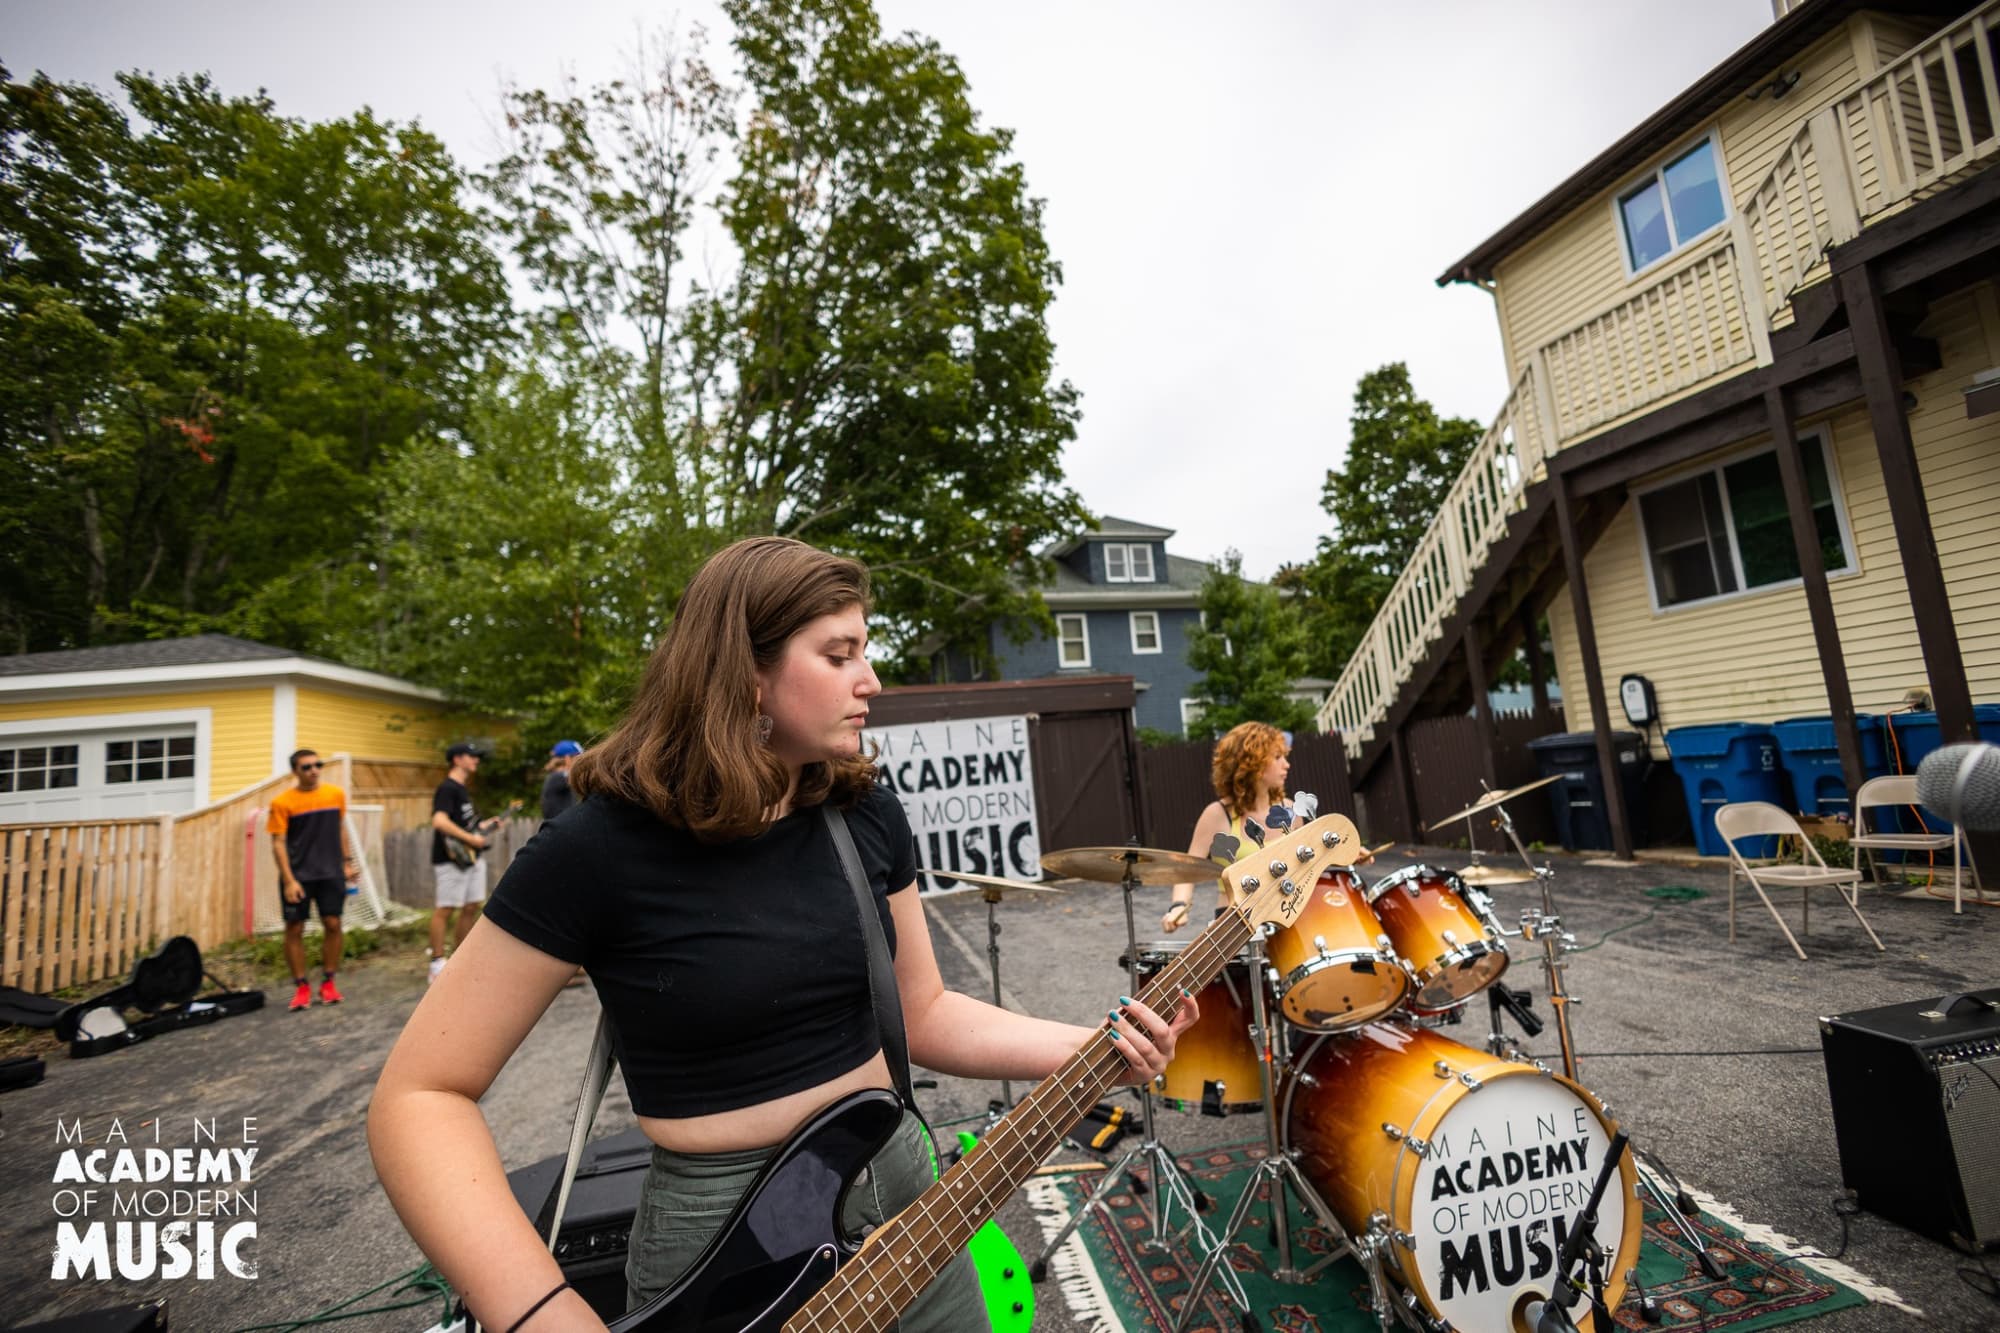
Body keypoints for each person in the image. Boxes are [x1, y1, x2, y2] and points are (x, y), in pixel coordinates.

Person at [369, 536, 1198, 1333]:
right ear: (747, 673)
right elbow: (420, 1095)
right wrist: (542, 1315)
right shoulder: (598, 847)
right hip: (722, 1251)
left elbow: (923, 1010)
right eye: (839, 655)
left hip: (910, 1212)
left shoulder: (863, 813)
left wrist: (1094, 1045)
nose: (870, 679)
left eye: (865, 651)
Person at [267, 748, 359, 1011]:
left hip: (331, 872)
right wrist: (289, 880)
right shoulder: (282, 802)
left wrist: (347, 863)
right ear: (295, 771)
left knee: (333, 923)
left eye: (317, 765)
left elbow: (340, 828)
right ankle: (301, 987)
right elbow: (278, 843)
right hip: (298, 876)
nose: (314, 770)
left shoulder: (335, 795)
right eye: (306, 767)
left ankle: (328, 983)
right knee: (295, 928)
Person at [428, 742, 504, 983]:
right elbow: (439, 821)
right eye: (471, 756)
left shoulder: (462, 790)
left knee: (471, 906)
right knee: (445, 909)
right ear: (457, 759)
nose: (476, 760)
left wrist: (485, 826)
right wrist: (470, 839)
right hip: (451, 859)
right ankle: (437, 963)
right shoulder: (447, 788)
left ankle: (460, 959)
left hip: (471, 859)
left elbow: (465, 824)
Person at [540, 739, 582, 820]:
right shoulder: (558, 777)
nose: (580, 761)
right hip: (560, 826)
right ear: (567, 758)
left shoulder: (558, 776)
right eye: (577, 757)